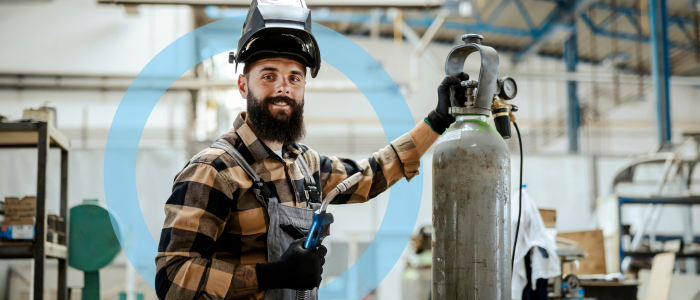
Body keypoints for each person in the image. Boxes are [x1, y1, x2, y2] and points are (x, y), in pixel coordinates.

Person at [154, 1, 461, 299]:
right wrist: (271, 275)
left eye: (294, 78)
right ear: (243, 86)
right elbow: (173, 278)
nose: (283, 88)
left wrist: (437, 120)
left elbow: (370, 176)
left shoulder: (305, 164)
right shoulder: (213, 170)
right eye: (268, 75)